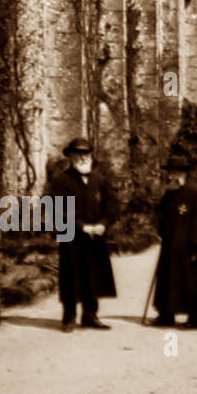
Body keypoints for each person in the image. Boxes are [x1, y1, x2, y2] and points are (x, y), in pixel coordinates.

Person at [47, 138, 118, 332]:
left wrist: (103, 224)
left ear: (91, 156)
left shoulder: (99, 181)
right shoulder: (61, 181)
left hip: (96, 236)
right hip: (71, 237)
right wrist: (82, 227)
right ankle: (68, 317)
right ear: (70, 156)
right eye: (77, 154)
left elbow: (111, 206)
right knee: (71, 275)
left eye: (86, 154)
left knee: (93, 275)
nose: (82, 158)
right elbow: (56, 211)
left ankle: (90, 315)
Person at [150, 153, 197, 329]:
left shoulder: (196, 195)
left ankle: (196, 318)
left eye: (176, 173)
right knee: (168, 278)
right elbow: (161, 218)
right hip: (171, 246)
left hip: (190, 248)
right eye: (170, 173)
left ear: (185, 174)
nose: (172, 176)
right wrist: (160, 232)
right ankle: (166, 314)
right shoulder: (169, 194)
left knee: (192, 281)